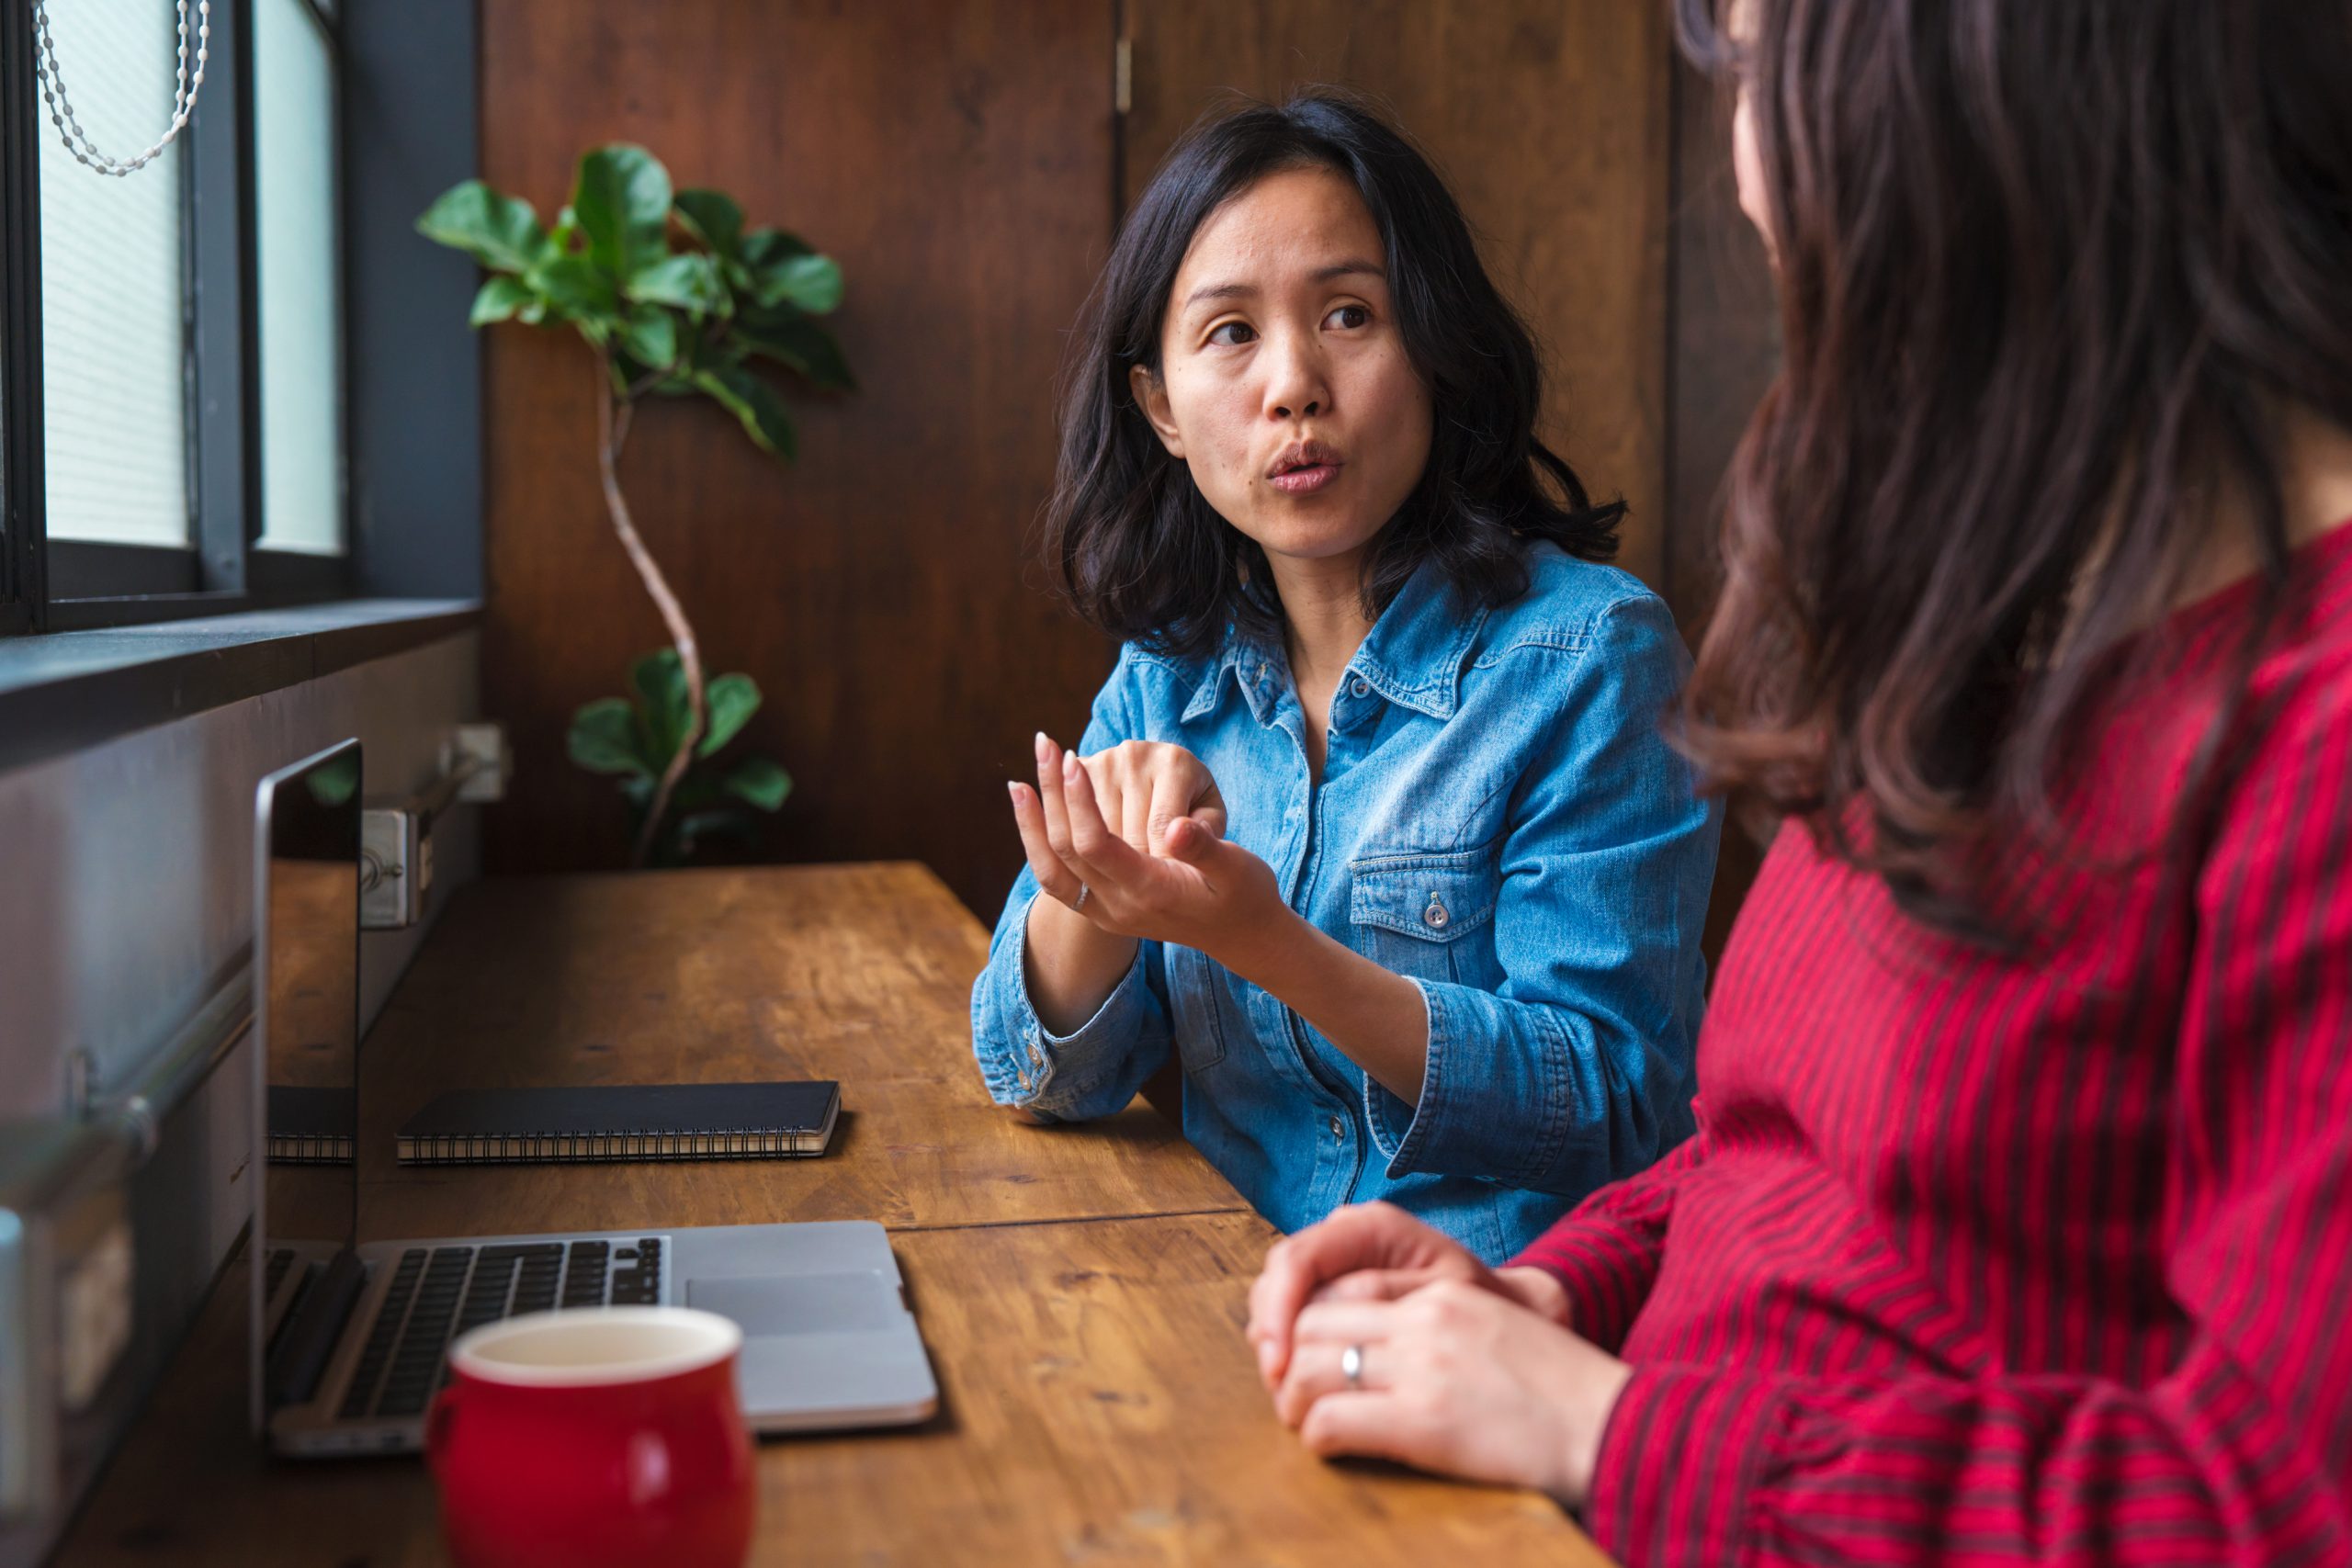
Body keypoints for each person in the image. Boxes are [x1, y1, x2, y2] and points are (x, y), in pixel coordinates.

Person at [1245, 3, 2352, 1562]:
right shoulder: (2007, 607)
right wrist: (1553, 1295)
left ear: (2008, 109)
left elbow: (2277, 1510)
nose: (1753, 180)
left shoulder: (2312, 723)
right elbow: (1781, 1151)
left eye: (1769, 76)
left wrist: (1601, 1426)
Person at [968, 93, 1721, 1263]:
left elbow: (1615, 1104)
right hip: (1221, 1321)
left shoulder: (1591, 657)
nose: (1293, 386)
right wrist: (1096, 890)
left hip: (1486, 1339)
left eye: (1350, 315)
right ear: (1160, 407)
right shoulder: (1167, 679)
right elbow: (1034, 1077)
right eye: (1229, 333)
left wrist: (1262, 940)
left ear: (1433, 350)